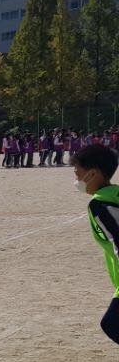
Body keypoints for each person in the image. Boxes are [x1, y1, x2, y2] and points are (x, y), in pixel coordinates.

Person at [71, 144, 119, 346]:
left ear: (92, 174)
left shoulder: (99, 204)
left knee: (112, 324)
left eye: (78, 174)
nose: (76, 181)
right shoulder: (115, 193)